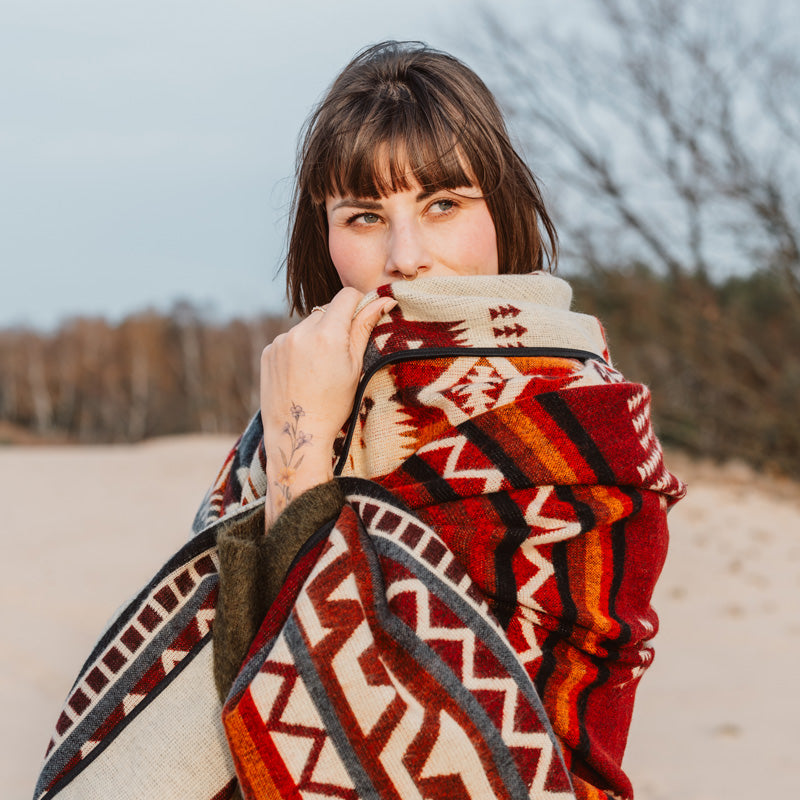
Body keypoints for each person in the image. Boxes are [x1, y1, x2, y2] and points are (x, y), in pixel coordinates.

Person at [35, 42, 685, 800]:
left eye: (443, 204)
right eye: (366, 215)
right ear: (327, 236)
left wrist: (302, 466)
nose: (405, 256)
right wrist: (297, 432)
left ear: (504, 210)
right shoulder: (289, 412)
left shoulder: (583, 430)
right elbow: (230, 672)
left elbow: (450, 745)